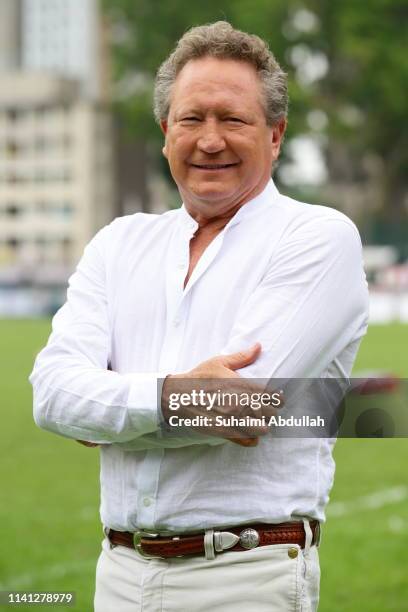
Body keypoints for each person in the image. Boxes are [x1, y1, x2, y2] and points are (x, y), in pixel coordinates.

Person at [30, 21, 369, 612]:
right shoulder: (118, 243)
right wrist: (171, 397)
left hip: (244, 576)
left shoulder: (317, 237)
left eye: (233, 120)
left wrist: (110, 409)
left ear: (276, 136)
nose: (209, 140)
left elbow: (243, 405)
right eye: (191, 119)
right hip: (117, 572)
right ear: (166, 134)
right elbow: (52, 396)